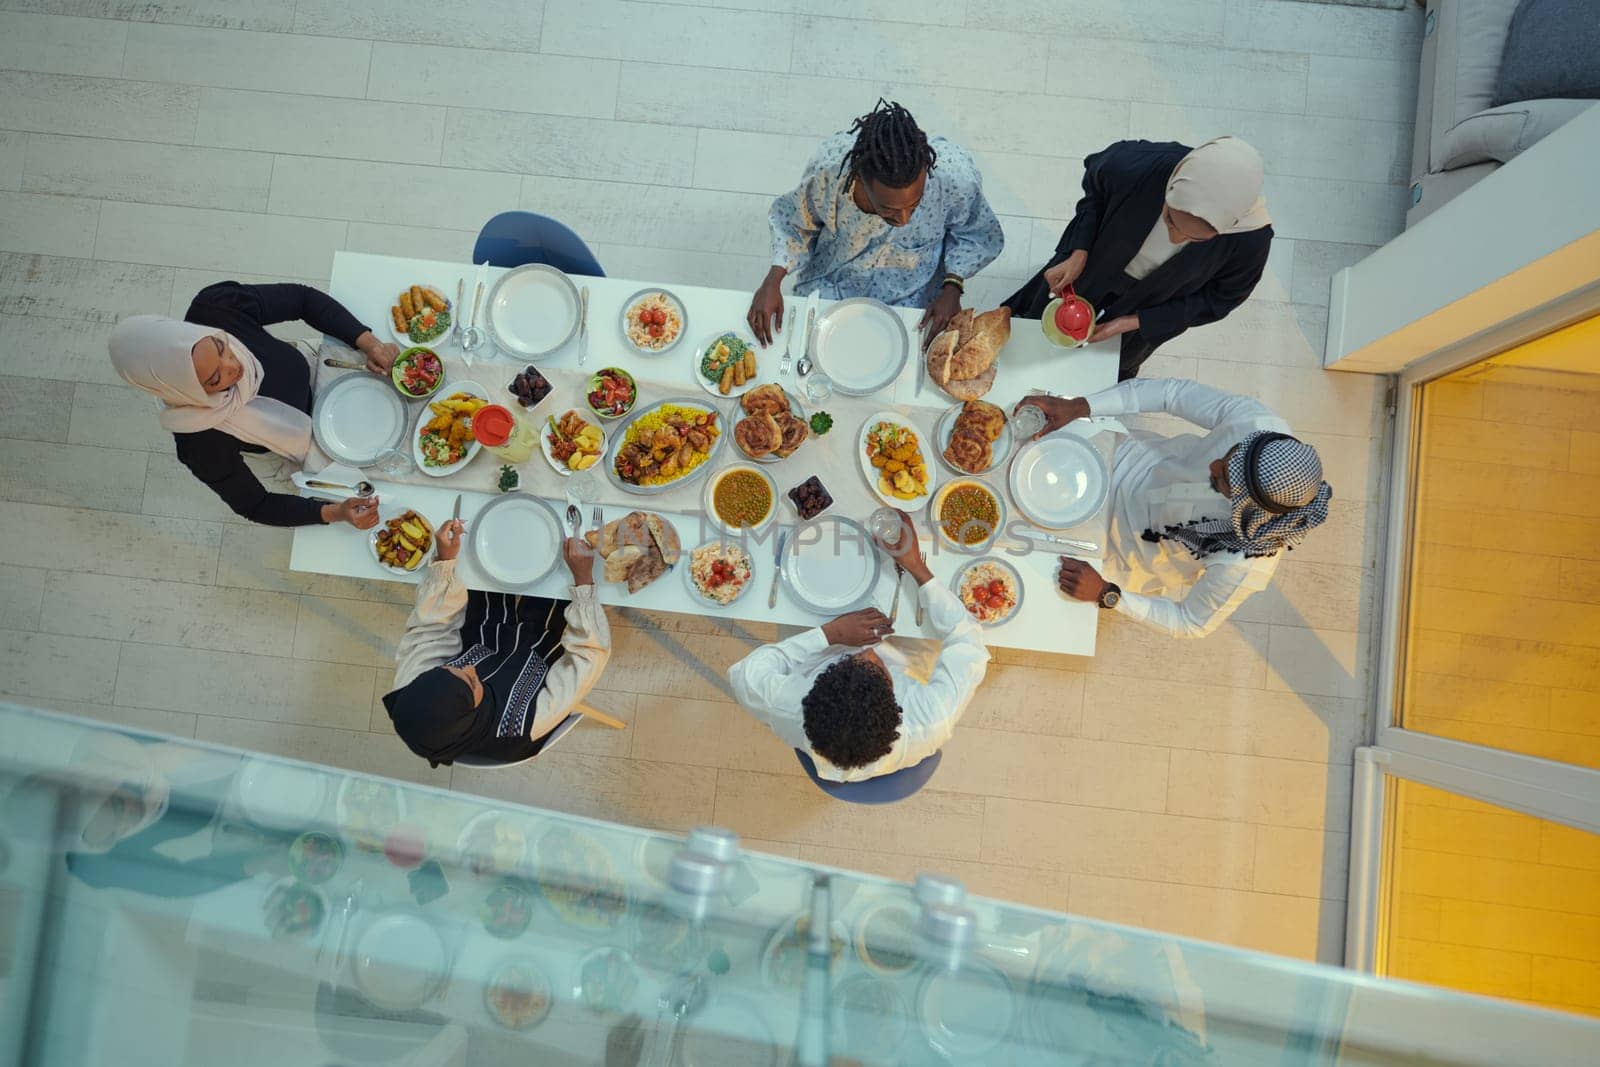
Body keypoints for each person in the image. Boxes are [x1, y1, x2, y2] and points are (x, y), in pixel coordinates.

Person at [1015, 379, 1332, 638]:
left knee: (1016, 570)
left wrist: (1108, 595)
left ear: (1245, 509)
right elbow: (1171, 394)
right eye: (1228, 455)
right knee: (1017, 439)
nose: (1214, 464)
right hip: (1125, 460)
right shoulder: (1256, 422)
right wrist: (1080, 406)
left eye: (1223, 480)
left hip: (1119, 556)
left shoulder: (1246, 561)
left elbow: (1192, 622)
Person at [108, 281, 402, 528]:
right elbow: (256, 504)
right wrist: (333, 513)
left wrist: (370, 344)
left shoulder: (216, 307)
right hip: (299, 447)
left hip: (320, 370)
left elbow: (303, 300)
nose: (233, 366)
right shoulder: (198, 444)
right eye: (214, 379)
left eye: (222, 347)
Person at [727, 512, 989, 782]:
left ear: (813, 691)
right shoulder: (931, 717)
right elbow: (969, 641)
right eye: (877, 667)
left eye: (851, 661)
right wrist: (915, 566)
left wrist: (831, 633)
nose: (869, 651)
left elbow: (743, 673)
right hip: (906, 657)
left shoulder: (789, 707)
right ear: (896, 705)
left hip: (828, 642)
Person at [1005, 137, 1274, 380]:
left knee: (1116, 356)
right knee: (1039, 318)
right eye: (1170, 219)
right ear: (1172, 185)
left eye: (1196, 239)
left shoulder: (1250, 241)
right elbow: (1095, 191)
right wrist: (1079, 250)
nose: (1174, 239)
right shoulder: (1139, 165)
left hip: (1157, 298)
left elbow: (1219, 299)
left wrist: (1134, 322)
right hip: (1099, 261)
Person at [749, 99, 1004, 350]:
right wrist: (771, 282)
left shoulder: (954, 179)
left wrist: (953, 287)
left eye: (914, 206)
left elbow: (977, 234)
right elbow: (794, 223)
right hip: (833, 285)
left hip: (915, 297)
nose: (904, 220)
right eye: (888, 209)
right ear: (860, 179)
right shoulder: (830, 174)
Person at [382, 521, 610, 767]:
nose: (469, 668)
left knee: (492, 561)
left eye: (449, 668)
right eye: (471, 681)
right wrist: (584, 580)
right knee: (558, 577)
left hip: (484, 633)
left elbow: (432, 628)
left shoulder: (414, 691)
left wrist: (444, 563)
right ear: (473, 711)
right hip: (543, 649)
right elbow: (588, 655)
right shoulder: (526, 724)